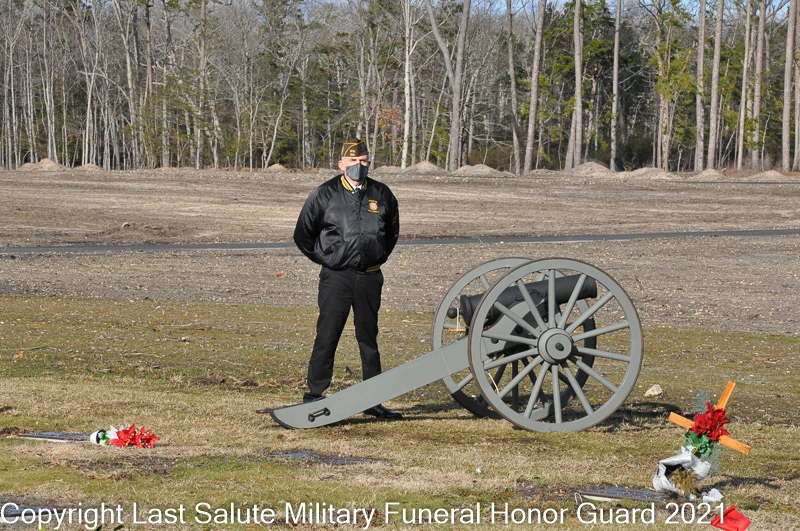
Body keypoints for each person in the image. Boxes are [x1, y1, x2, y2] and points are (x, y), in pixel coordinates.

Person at [293, 139, 402, 420]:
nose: (358, 166)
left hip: (369, 277)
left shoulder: (382, 194)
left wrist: (377, 256)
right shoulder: (324, 194)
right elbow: (303, 235)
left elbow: (391, 234)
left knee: (368, 338)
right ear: (341, 164)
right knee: (327, 336)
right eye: (353, 161)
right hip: (336, 278)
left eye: (363, 161)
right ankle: (314, 396)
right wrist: (329, 259)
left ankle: (373, 401)